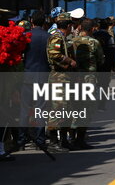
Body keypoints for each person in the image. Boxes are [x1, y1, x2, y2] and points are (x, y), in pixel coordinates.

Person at [17, 11, 50, 151]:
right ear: (44, 22)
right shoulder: (49, 37)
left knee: (24, 109)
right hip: (43, 76)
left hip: (27, 75)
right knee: (40, 109)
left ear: (32, 21)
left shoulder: (26, 36)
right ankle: (40, 140)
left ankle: (21, 141)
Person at [46, 12, 77, 152]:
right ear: (69, 25)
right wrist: (69, 61)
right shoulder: (56, 37)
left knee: (67, 109)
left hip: (66, 78)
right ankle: (53, 142)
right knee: (58, 109)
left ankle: (64, 140)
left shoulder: (63, 37)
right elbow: (54, 54)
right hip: (59, 78)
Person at [71, 18, 104, 149]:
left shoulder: (71, 41)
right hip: (89, 78)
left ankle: (70, 137)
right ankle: (80, 139)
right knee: (86, 109)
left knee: (74, 107)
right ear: (91, 29)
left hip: (74, 78)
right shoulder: (94, 42)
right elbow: (101, 60)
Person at [93, 18, 115, 110]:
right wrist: (113, 66)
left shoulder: (93, 35)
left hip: (94, 64)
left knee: (94, 84)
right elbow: (112, 52)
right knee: (104, 85)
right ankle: (101, 105)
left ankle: (92, 103)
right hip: (106, 65)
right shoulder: (109, 37)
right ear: (107, 27)